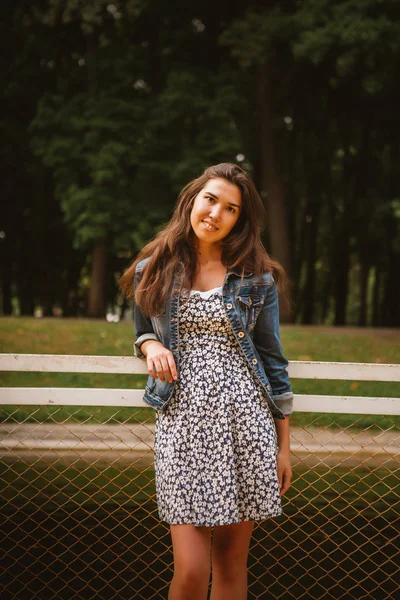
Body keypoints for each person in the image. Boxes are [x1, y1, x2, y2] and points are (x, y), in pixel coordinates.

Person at [119, 163, 293, 600]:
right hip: (183, 427)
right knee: (192, 571)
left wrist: (283, 446)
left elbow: (273, 361)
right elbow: (142, 328)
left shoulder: (258, 277)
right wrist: (149, 346)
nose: (216, 213)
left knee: (231, 566)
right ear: (193, 200)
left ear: (241, 219)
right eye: (210, 199)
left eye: (230, 208)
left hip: (247, 427)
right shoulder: (152, 268)